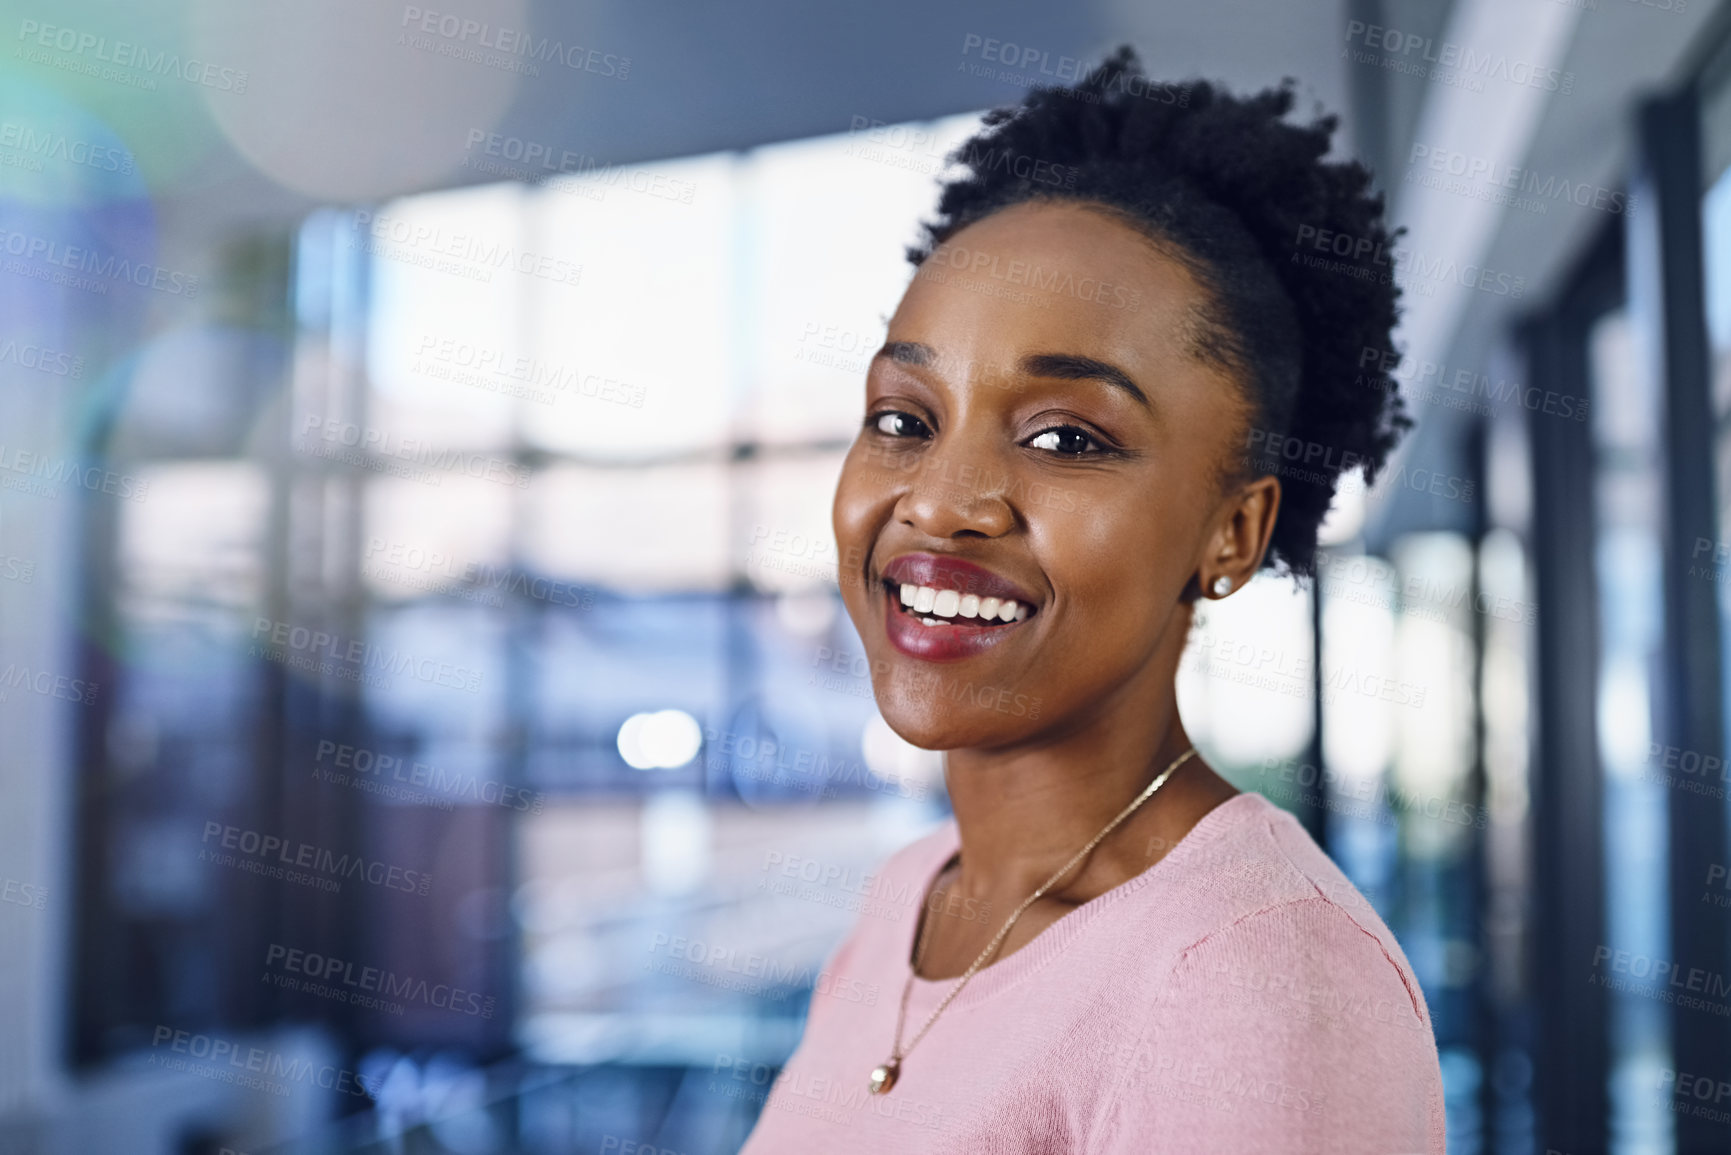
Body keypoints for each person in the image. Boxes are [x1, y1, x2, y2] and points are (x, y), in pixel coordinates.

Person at [738, 45, 1444, 1154]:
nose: (943, 502)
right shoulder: (910, 898)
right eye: (904, 419)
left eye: (1066, 436)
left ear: (1232, 531)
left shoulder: (1255, 973)